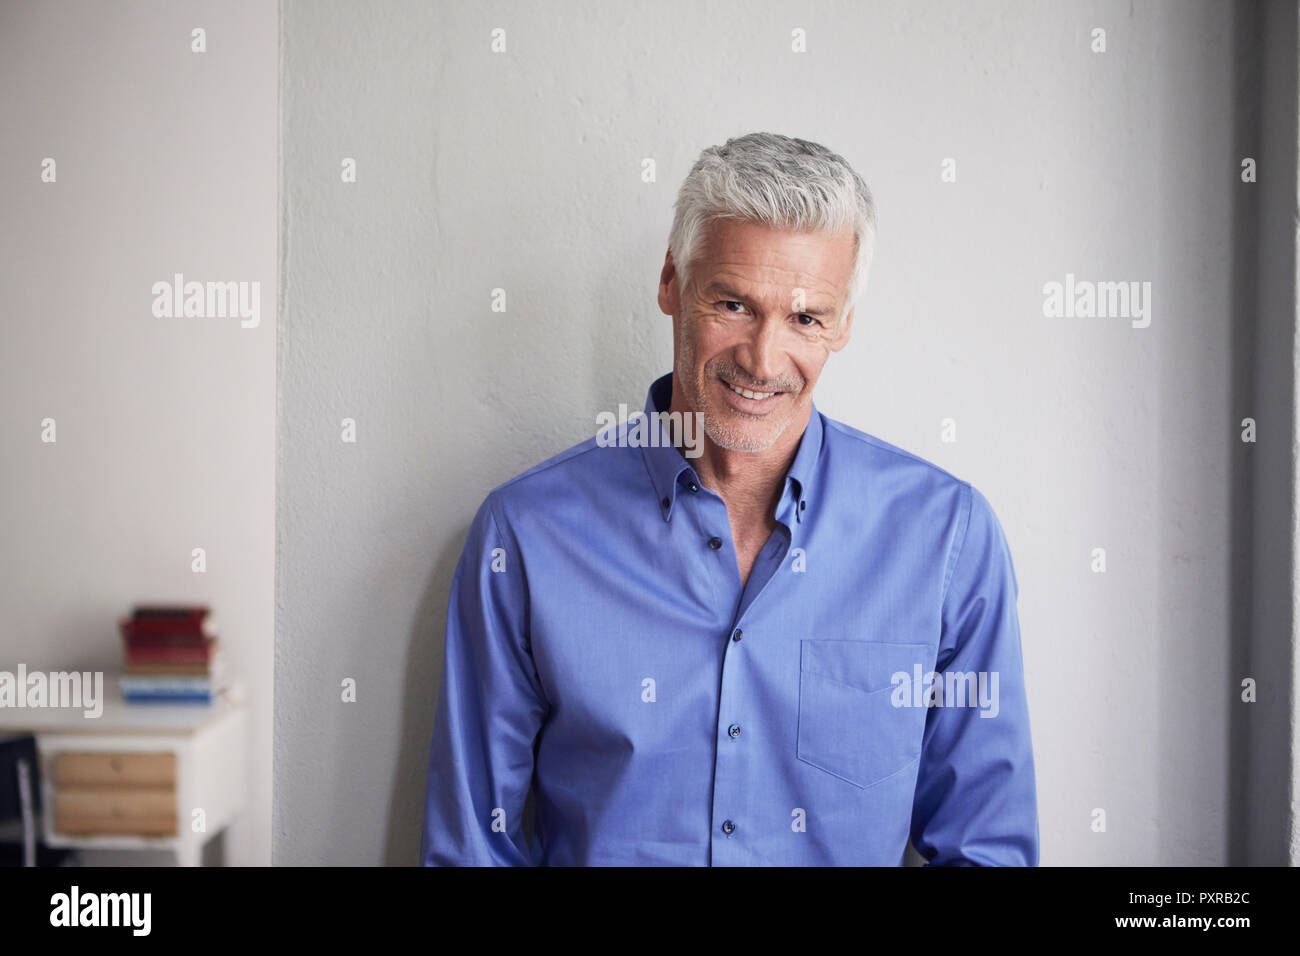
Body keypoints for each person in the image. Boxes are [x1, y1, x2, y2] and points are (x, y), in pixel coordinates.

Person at [420, 131, 1038, 865]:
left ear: (842, 325)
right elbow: (471, 850)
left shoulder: (947, 540)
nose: (762, 359)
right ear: (671, 284)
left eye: (805, 317)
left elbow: (986, 850)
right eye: (734, 304)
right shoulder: (524, 536)